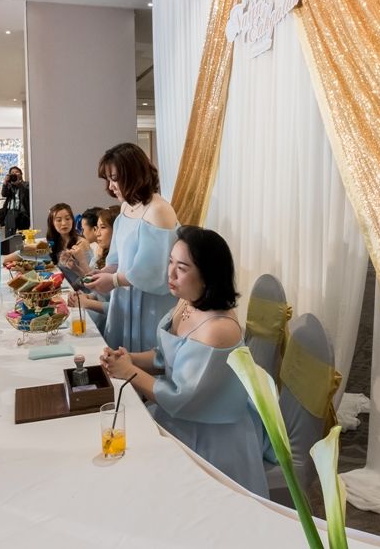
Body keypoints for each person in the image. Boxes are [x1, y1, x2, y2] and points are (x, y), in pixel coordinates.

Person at [100, 226, 270, 497]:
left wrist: (129, 371)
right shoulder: (186, 302)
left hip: (211, 434)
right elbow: (165, 355)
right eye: (170, 262)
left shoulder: (218, 329)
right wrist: (131, 358)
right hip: (179, 414)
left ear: (208, 275)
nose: (170, 274)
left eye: (182, 268)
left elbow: (182, 397)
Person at [86, 143, 178, 352]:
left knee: (142, 356)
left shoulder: (159, 211)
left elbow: (154, 273)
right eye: (108, 180)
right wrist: (103, 272)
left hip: (149, 303)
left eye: (114, 179)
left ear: (134, 175)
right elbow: (119, 258)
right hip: (125, 295)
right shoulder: (127, 206)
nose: (110, 186)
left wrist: (114, 280)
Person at [66, 205, 119, 334]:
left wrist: (86, 301)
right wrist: (87, 297)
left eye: (102, 227)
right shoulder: (106, 255)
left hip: (107, 322)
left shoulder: (119, 261)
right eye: (96, 228)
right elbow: (101, 294)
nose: (97, 233)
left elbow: (118, 307)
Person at [0, 166, 30, 237]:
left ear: (21, 174)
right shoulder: (9, 185)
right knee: (9, 235)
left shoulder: (26, 184)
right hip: (11, 212)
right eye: (12, 172)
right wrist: (5, 182)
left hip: (23, 213)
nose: (14, 174)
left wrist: (19, 184)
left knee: (23, 235)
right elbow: (4, 194)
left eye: (16, 172)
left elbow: (27, 194)